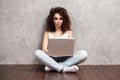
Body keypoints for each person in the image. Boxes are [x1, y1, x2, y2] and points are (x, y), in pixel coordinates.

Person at [35, 7, 88, 73]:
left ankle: (53, 67)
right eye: (56, 18)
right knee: (37, 53)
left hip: (65, 58)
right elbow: (44, 49)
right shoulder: (47, 32)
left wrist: (65, 51)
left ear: (64, 20)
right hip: (51, 58)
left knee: (83, 54)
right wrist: (52, 51)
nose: (58, 21)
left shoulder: (69, 32)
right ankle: (64, 68)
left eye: (60, 18)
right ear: (52, 20)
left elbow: (70, 49)